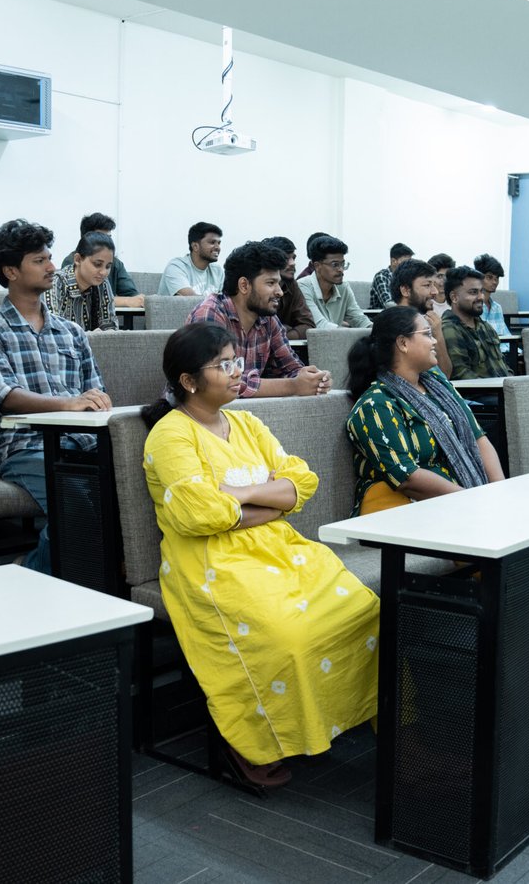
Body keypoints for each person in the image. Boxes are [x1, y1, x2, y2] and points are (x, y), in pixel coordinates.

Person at [142, 322, 379, 787]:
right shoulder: (170, 436)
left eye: (236, 361)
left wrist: (243, 493)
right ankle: (252, 739)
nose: (237, 372)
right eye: (223, 365)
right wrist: (272, 503)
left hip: (278, 547)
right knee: (287, 633)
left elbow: (302, 481)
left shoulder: (247, 422)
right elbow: (200, 513)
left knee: (362, 608)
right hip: (211, 560)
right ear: (189, 381)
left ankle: (347, 716)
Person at [0, 219, 111, 573]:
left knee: (132, 490)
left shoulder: (71, 332)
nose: (51, 267)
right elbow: (6, 396)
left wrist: (94, 403)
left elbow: (96, 392)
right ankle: (29, 574)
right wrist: (70, 404)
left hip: (82, 441)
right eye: (39, 260)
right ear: (11, 271)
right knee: (77, 509)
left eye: (49, 258)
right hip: (26, 447)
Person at [346, 306, 504, 514]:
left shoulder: (438, 384)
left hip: (462, 501)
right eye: (427, 334)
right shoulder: (376, 404)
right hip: (406, 512)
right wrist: (472, 501)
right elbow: (407, 478)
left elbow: (477, 438)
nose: (435, 341)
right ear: (403, 343)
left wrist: (499, 493)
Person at [188, 240, 331, 398]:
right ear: (244, 285)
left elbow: (291, 368)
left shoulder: (268, 319)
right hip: (200, 409)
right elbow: (216, 380)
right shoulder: (210, 314)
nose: (280, 292)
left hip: (247, 409)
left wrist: (313, 379)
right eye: (271, 283)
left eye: (279, 283)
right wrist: (293, 386)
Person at [42, 232, 123, 331]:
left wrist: (107, 333)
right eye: (97, 264)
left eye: (108, 266)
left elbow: (110, 328)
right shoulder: (55, 283)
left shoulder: (103, 283)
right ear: (78, 259)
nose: (103, 272)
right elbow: (53, 330)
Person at [441, 266, 510, 380]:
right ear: (454, 297)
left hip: (503, 387)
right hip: (482, 390)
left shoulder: (485, 326)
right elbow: (461, 374)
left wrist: (513, 383)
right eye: (473, 292)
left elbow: (503, 365)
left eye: (481, 291)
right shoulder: (449, 328)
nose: (481, 297)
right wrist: (501, 387)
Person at [62, 213, 142, 308]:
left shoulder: (114, 264)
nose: (103, 272)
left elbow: (133, 295)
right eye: (97, 264)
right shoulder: (71, 262)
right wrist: (125, 301)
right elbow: (83, 298)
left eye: (109, 238)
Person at [391, 258, 452, 377]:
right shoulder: (390, 326)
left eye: (434, 285)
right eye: (427, 285)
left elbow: (445, 375)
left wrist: (438, 334)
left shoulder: (430, 322)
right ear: (405, 290)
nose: (435, 291)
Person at [297, 235, 369, 329]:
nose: (341, 270)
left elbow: (359, 319)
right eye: (335, 265)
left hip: (338, 337)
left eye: (343, 264)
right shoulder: (302, 287)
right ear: (317, 266)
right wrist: (349, 332)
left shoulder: (343, 288)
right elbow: (321, 325)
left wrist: (376, 329)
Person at [261, 236, 316, 340]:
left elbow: (309, 326)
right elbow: (261, 331)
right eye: (286, 259)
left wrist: (282, 334)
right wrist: (286, 329)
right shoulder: (259, 286)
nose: (292, 263)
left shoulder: (292, 284)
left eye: (293, 258)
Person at [160, 222, 223, 295]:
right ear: (195, 246)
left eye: (219, 243)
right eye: (212, 242)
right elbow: (191, 299)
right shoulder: (176, 267)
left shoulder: (217, 271)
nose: (217, 247)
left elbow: (229, 299)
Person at [473, 254, 510, 337]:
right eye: (489, 277)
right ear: (478, 277)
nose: (494, 282)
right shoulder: (472, 306)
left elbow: (507, 336)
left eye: (497, 278)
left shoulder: (497, 308)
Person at [369, 242, 413, 310]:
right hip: (382, 314)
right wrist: (412, 307)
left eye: (410, 262)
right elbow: (388, 304)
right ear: (393, 261)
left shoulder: (408, 277)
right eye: (405, 262)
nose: (409, 266)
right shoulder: (381, 276)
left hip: (405, 313)